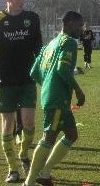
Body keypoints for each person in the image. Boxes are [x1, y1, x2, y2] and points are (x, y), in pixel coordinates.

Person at [0, 0, 43, 183]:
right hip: (5, 81)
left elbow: (38, 48)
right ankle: (12, 168)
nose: (21, 1)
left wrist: (42, 69)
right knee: (7, 124)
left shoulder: (31, 18)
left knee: (29, 122)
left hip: (27, 79)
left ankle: (23, 154)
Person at [23, 11, 86, 186]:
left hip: (54, 96)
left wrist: (48, 85)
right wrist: (78, 90)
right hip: (57, 98)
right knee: (49, 137)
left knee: (72, 134)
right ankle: (29, 182)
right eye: (80, 25)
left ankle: (44, 174)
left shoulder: (50, 44)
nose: (82, 29)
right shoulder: (68, 42)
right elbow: (62, 69)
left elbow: (34, 72)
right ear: (71, 23)